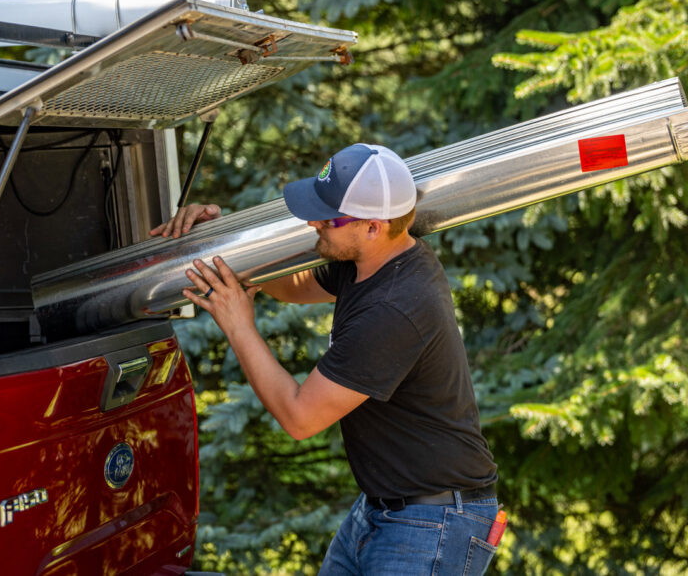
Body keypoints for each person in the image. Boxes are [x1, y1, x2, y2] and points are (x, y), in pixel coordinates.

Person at [152, 143, 500, 575]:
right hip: (384, 508)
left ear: (373, 227)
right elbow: (294, 287)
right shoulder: (372, 260)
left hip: (433, 523)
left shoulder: (395, 307)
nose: (313, 221)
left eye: (329, 217)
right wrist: (222, 240)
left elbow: (300, 418)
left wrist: (238, 325)